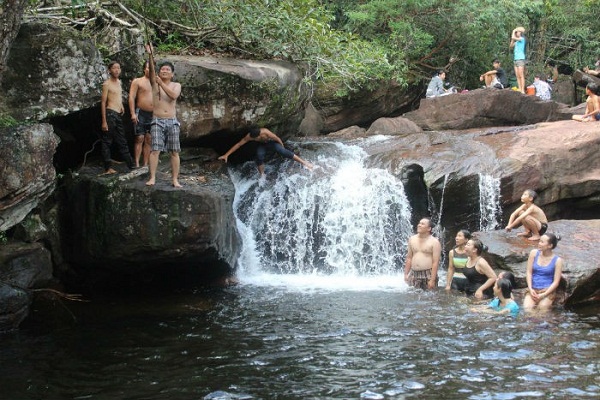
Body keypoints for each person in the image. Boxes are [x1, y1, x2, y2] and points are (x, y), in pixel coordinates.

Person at [145, 46, 183, 187]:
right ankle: (152, 177)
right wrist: (150, 54)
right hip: (157, 121)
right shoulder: (154, 84)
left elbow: (173, 96)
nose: (164, 71)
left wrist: (162, 84)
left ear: (172, 74)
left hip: (172, 121)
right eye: (162, 70)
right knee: (155, 150)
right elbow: (151, 72)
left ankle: (174, 179)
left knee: (174, 151)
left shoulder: (176, 85)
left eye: (167, 70)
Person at [218, 127, 313, 176]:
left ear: (259, 134)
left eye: (256, 137)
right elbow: (238, 144)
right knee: (259, 156)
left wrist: (282, 147)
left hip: (271, 142)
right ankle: (262, 175)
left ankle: (305, 163)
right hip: (261, 146)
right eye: (253, 138)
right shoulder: (249, 136)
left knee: (283, 152)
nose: (254, 138)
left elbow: (277, 138)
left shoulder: (265, 132)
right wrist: (226, 155)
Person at [100, 61, 135, 174]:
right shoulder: (107, 84)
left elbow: (118, 97)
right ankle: (107, 167)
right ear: (109, 70)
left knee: (122, 140)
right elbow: (103, 102)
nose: (116, 70)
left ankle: (131, 165)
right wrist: (104, 121)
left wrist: (121, 107)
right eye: (114, 68)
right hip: (110, 113)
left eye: (118, 68)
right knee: (107, 141)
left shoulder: (119, 82)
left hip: (118, 114)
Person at [523, 233, 564, 312]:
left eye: (542, 242)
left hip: (547, 291)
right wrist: (530, 288)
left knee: (542, 310)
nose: (539, 243)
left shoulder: (557, 260)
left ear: (550, 246)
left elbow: (556, 282)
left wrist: (544, 294)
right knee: (527, 310)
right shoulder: (534, 253)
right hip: (533, 289)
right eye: (539, 241)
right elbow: (529, 272)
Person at [404, 218, 442, 290]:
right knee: (412, 297)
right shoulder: (412, 239)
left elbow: (435, 262)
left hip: (428, 274)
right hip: (414, 274)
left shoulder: (435, 242)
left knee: (429, 299)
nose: (419, 225)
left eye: (422, 224)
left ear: (429, 228)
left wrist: (432, 280)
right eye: (419, 223)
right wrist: (406, 274)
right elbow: (409, 257)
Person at [129, 60, 154, 167]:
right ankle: (137, 163)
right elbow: (131, 97)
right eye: (147, 67)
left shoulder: (157, 81)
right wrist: (132, 113)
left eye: (151, 68)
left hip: (153, 113)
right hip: (141, 112)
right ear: (144, 69)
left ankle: (145, 163)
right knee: (139, 138)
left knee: (149, 139)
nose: (149, 70)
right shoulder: (138, 81)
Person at [509, 27, 527, 93]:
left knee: (521, 74)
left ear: (521, 33)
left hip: (520, 58)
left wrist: (514, 31)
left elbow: (513, 37)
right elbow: (511, 46)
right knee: (517, 75)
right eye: (517, 32)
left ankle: (522, 90)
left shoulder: (522, 39)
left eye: (518, 32)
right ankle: (519, 88)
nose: (517, 33)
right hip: (515, 59)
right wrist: (513, 39)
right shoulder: (516, 41)